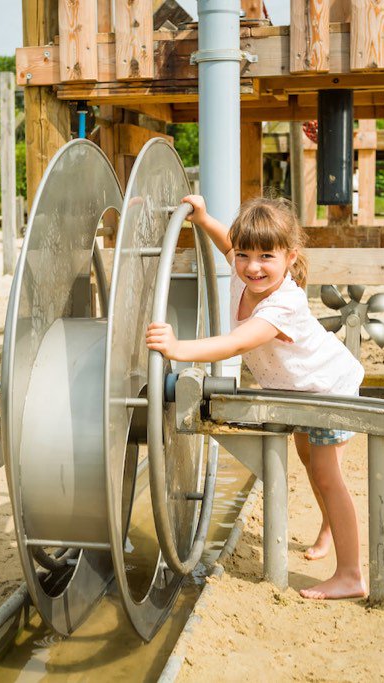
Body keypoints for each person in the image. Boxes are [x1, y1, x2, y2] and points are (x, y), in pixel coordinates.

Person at [145, 195, 367, 600]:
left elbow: (235, 343)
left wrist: (178, 349)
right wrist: (205, 218)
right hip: (295, 392)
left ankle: (351, 574)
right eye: (245, 254)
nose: (252, 266)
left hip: (327, 388)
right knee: (308, 460)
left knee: (325, 474)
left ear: (289, 257)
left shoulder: (283, 303)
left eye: (266, 256)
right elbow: (227, 245)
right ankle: (328, 527)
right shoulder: (245, 272)